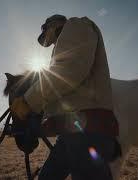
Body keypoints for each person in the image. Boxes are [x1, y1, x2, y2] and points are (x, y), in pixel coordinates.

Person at [10, 14, 121, 180]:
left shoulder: (76, 25)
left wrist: (28, 101)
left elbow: (67, 73)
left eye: (45, 33)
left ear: (53, 25)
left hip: (88, 131)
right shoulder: (64, 44)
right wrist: (37, 125)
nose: (49, 42)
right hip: (71, 131)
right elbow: (63, 93)